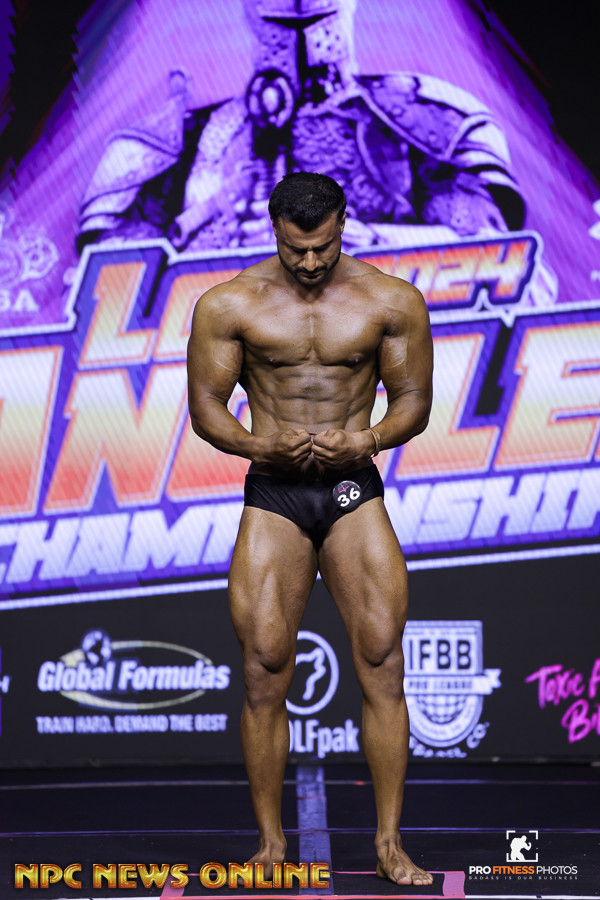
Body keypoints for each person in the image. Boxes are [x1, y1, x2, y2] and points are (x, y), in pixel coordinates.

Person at [187, 171, 434, 887]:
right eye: (296, 248)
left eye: (322, 246)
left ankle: (389, 845)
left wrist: (370, 438)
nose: (310, 261)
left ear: (342, 223)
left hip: (352, 487)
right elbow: (206, 404)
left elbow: (413, 398)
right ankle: (270, 845)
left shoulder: (390, 299)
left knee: (382, 658)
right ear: (274, 229)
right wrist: (255, 445)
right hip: (276, 492)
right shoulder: (229, 304)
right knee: (264, 667)